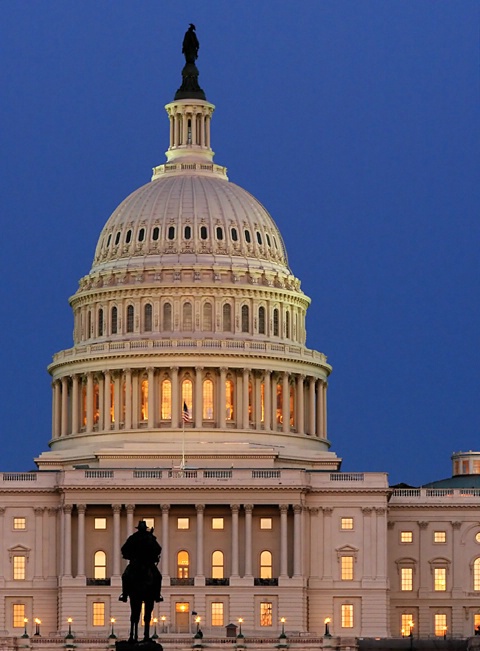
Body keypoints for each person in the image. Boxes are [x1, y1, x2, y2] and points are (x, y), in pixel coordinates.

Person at [119, 520, 162, 603]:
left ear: (138, 528)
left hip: (136, 563)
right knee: (158, 577)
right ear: (145, 528)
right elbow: (158, 549)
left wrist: (128, 556)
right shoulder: (148, 537)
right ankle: (157, 595)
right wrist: (154, 556)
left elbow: (123, 550)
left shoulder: (133, 537)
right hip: (147, 563)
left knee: (125, 576)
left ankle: (124, 595)